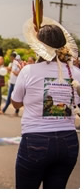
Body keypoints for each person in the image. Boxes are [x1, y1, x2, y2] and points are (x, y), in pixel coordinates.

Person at [11, 10, 80, 188]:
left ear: (38, 46)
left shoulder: (28, 71)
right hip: (69, 141)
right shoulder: (77, 73)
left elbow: (16, 103)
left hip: (36, 140)